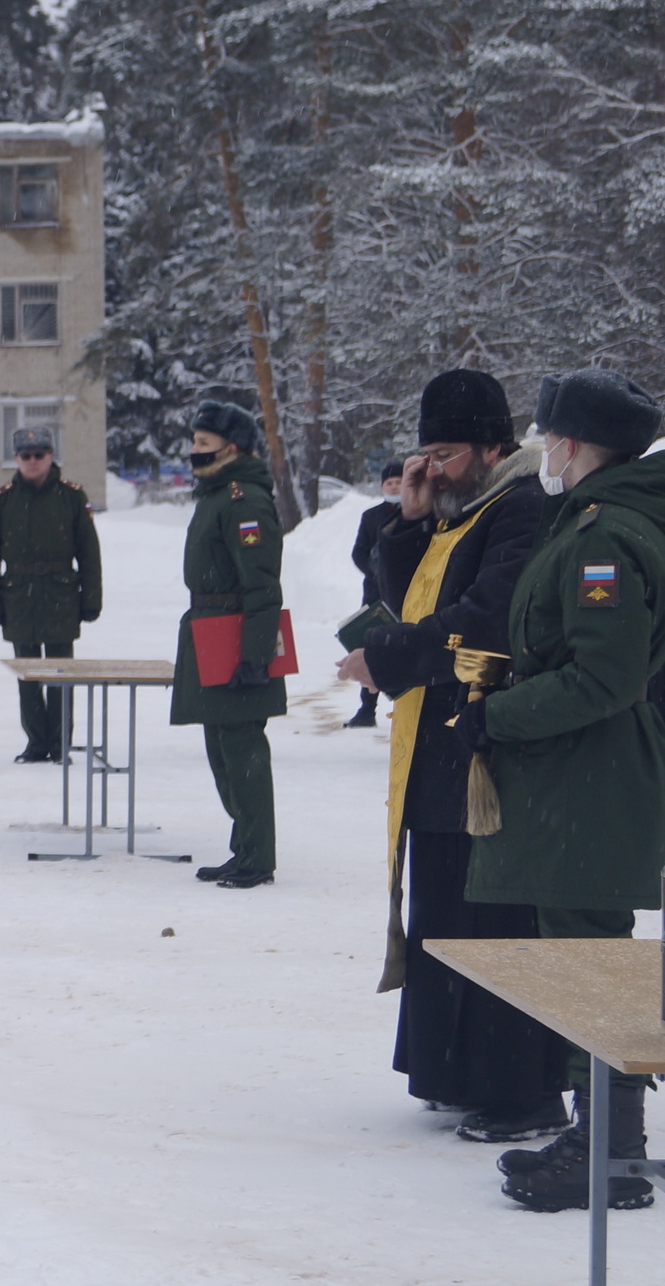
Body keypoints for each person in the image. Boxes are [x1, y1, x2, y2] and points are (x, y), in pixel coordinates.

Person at [333, 371, 567, 1144]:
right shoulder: (462, 508)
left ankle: (520, 1090)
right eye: (425, 453)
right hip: (439, 752)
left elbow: (486, 619)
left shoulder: (522, 506)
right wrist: (407, 522)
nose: (433, 468)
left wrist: (390, 657)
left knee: (493, 921)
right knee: (445, 914)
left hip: (486, 756)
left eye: (447, 452)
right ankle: (458, 1072)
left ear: (492, 445)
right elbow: (411, 603)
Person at [460, 369, 665, 1211]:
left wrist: (499, 716)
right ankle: (602, 1138)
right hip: (580, 776)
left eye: (549, 436)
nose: (541, 449)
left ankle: (612, 1159)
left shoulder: (602, 536)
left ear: (574, 444)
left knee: (590, 963)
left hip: (591, 775)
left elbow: (605, 677)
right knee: (583, 960)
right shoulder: (588, 520)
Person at [170, 400, 286, 889]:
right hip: (210, 628)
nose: (192, 452)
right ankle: (245, 847)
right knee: (222, 747)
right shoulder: (216, 494)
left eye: (203, 444)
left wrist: (257, 652)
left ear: (231, 449)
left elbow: (261, 583)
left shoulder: (243, 501)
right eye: (193, 442)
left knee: (242, 750)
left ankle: (257, 856)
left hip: (235, 633)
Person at [0, 426, 102, 764]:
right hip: (18, 596)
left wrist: (91, 600)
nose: (33, 461)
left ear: (51, 457)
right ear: (16, 459)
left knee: (61, 673)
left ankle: (61, 743)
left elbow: (89, 552)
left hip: (61, 594)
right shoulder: (2, 499)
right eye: (26, 455)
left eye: (40, 455)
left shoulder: (72, 496)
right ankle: (36, 742)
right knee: (28, 674)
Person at [345, 458, 404, 728]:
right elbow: (358, 552)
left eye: (398, 481)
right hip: (376, 594)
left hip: (408, 592)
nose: (394, 486)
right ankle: (367, 708)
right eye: (389, 482)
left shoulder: (420, 512)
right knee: (371, 647)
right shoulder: (371, 517)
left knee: (406, 645)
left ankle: (407, 707)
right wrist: (374, 571)